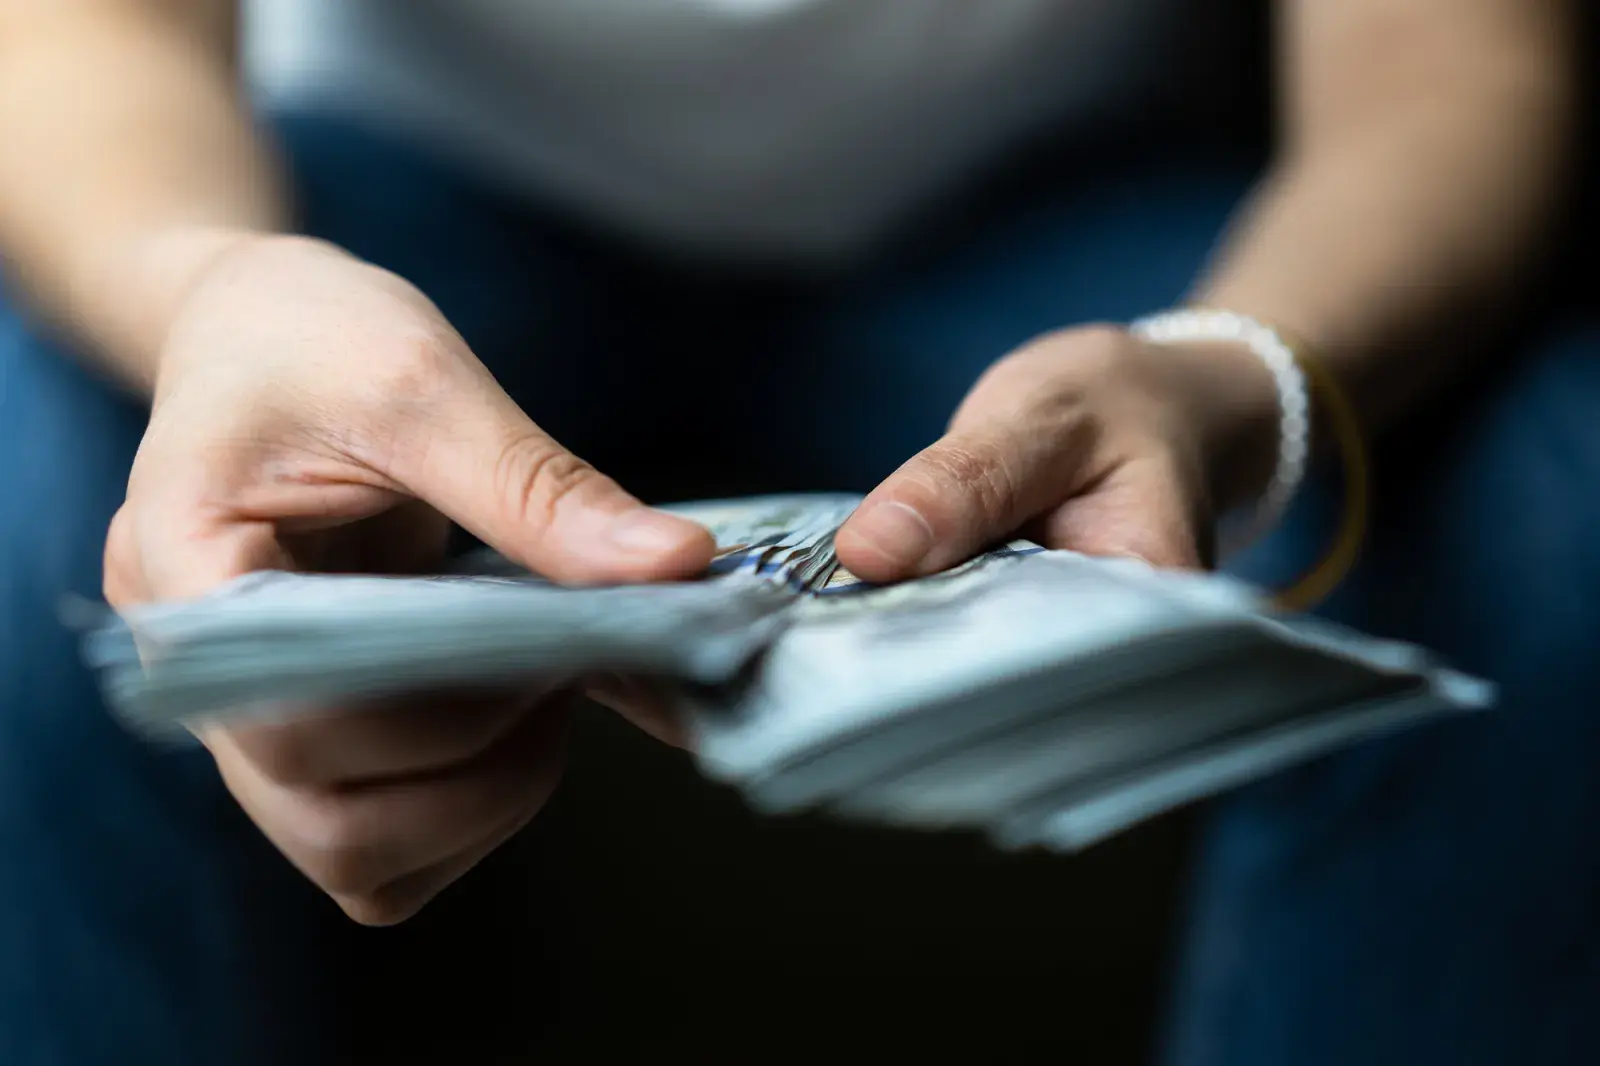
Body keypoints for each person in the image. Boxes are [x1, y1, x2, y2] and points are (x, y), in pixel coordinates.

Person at [0, 1, 1590, 1063]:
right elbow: (84, 35)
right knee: (29, 497)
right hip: (389, 195)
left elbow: (1446, 67)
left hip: (1054, 202)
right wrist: (211, 286)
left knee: (1548, 514)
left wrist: (1231, 370)